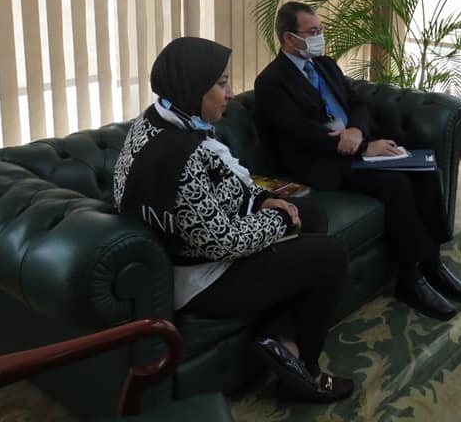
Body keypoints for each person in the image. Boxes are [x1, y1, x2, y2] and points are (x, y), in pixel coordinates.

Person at [113, 37, 353, 403]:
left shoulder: (163, 118)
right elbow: (223, 241)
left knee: (312, 214)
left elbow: (221, 180)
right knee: (330, 255)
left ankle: (279, 338)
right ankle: (308, 372)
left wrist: (262, 199)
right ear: (193, 87)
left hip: (207, 244)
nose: (231, 93)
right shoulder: (179, 158)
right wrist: (279, 219)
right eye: (221, 84)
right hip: (203, 279)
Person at [253, 2, 461, 321]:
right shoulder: (272, 81)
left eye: (321, 30)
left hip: (356, 146)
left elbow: (358, 103)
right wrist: (362, 148)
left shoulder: (325, 65)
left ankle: (432, 263)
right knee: (396, 184)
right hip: (320, 163)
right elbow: (300, 134)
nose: (320, 37)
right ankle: (410, 280)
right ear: (289, 38)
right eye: (312, 32)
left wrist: (358, 132)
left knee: (425, 169)